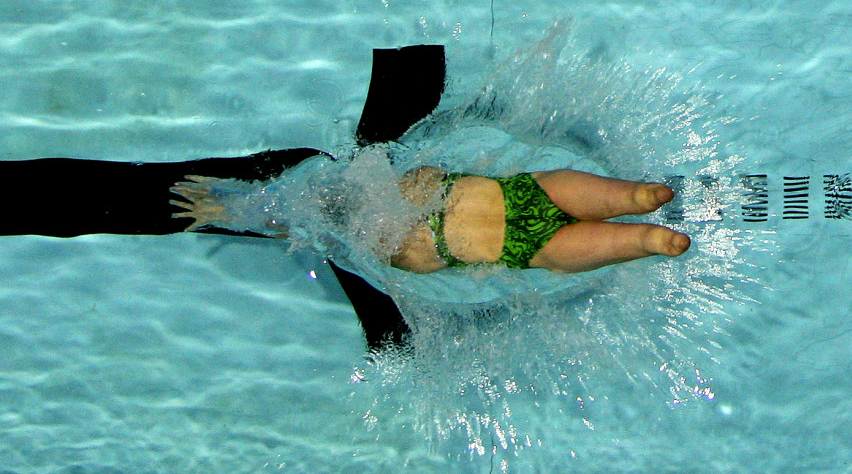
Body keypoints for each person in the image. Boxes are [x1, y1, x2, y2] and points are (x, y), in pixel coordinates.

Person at [172, 168, 692, 274]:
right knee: (619, 199)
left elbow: (306, 229)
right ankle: (641, 205)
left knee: (625, 242)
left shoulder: (392, 242)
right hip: (526, 193)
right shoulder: (393, 188)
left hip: (523, 247)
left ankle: (648, 236)